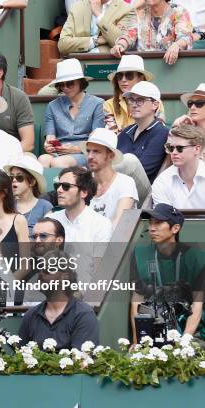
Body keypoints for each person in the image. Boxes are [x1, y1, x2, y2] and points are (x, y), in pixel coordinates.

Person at [130, 204, 204, 344]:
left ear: (175, 228)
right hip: (154, 323)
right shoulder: (140, 255)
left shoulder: (195, 258)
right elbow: (136, 301)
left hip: (187, 326)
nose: (152, 228)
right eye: (151, 223)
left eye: (158, 223)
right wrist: (137, 341)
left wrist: (184, 341)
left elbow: (197, 304)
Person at [18, 250, 100, 350]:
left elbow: (81, 361)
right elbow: (20, 356)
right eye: (39, 270)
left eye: (48, 270)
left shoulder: (83, 314)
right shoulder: (31, 315)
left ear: (65, 276)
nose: (40, 275)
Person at [39, 59, 104, 169]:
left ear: (80, 82)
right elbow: (50, 136)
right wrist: (49, 145)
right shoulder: (52, 106)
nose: (65, 88)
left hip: (85, 153)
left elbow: (96, 141)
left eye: (70, 83)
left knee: (58, 163)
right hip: (59, 151)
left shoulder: (97, 103)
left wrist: (77, 149)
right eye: (61, 85)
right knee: (42, 160)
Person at [82, 128, 138, 227]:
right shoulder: (83, 181)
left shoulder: (125, 182)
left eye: (96, 151)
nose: (90, 156)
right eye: (88, 151)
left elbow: (119, 223)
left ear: (111, 156)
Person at [117, 81, 169, 182]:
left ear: (155, 105)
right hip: (118, 184)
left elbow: (143, 170)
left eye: (140, 100)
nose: (134, 105)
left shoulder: (161, 133)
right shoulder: (126, 132)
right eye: (131, 100)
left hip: (144, 191)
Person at [103, 55, 165, 134]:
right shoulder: (108, 104)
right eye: (119, 76)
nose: (123, 80)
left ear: (141, 78)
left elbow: (158, 130)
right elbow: (111, 134)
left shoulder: (154, 101)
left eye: (129, 75)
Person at [49, 166, 113, 242]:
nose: (59, 190)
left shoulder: (101, 224)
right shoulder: (51, 220)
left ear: (84, 192)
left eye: (66, 186)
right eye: (57, 186)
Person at [152, 125, 205, 208]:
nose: (174, 152)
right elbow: (163, 218)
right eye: (171, 148)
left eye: (180, 148)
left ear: (197, 149)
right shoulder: (162, 181)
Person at [58, 0, 137, 56]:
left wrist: (98, 14)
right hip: (77, 66)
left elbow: (120, 40)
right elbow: (63, 44)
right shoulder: (77, 7)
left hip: (106, 67)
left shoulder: (126, 9)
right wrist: (95, 41)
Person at [4, 154, 53, 234]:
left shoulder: (45, 206)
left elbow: (47, 237)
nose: (13, 180)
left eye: (19, 177)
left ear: (32, 182)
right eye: (11, 177)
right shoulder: (6, 204)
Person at [136, 0, 193, 65]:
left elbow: (186, 37)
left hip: (172, 67)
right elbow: (128, 35)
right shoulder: (139, 13)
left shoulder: (178, 11)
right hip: (143, 68)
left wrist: (176, 45)